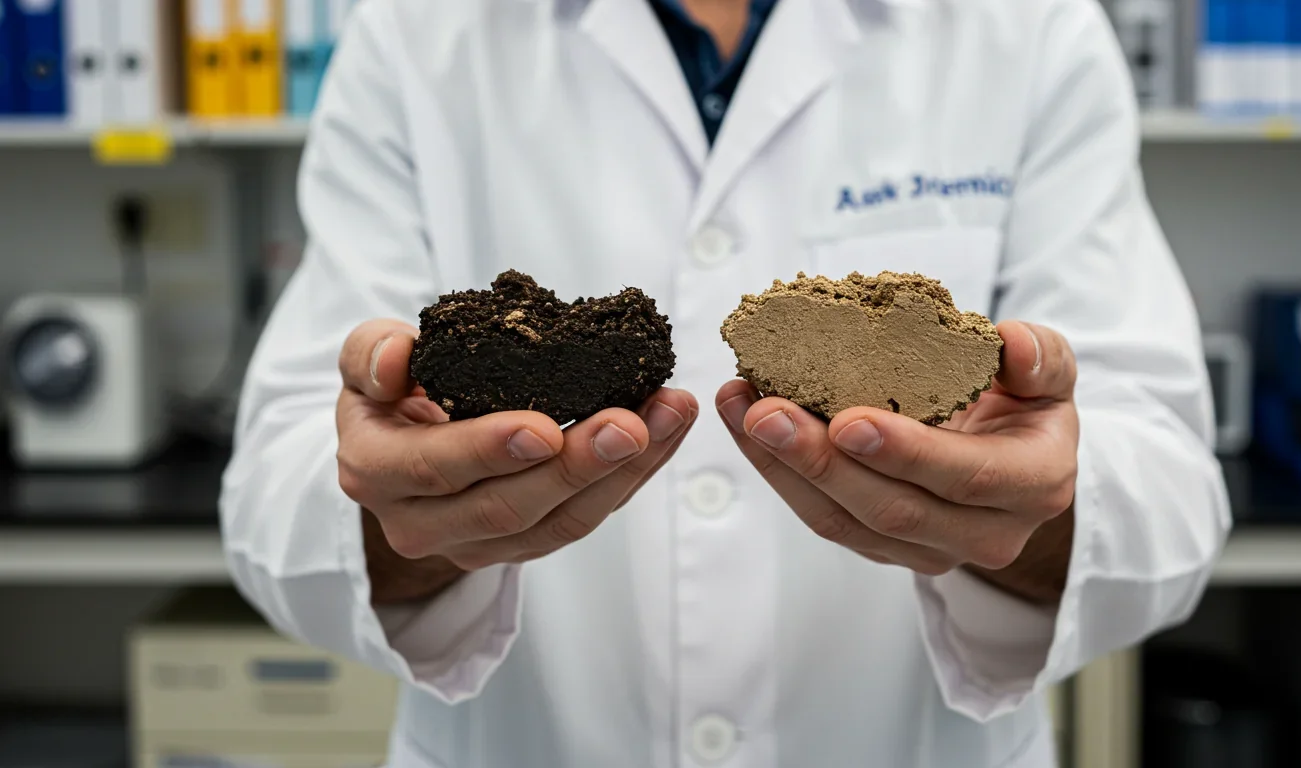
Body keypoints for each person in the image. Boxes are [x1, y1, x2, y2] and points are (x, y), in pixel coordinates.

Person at [219, 0, 1232, 765]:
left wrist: (1030, 509)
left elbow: (1168, 502)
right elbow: (277, 501)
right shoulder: (415, 31)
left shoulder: (1028, 28)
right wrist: (406, 518)